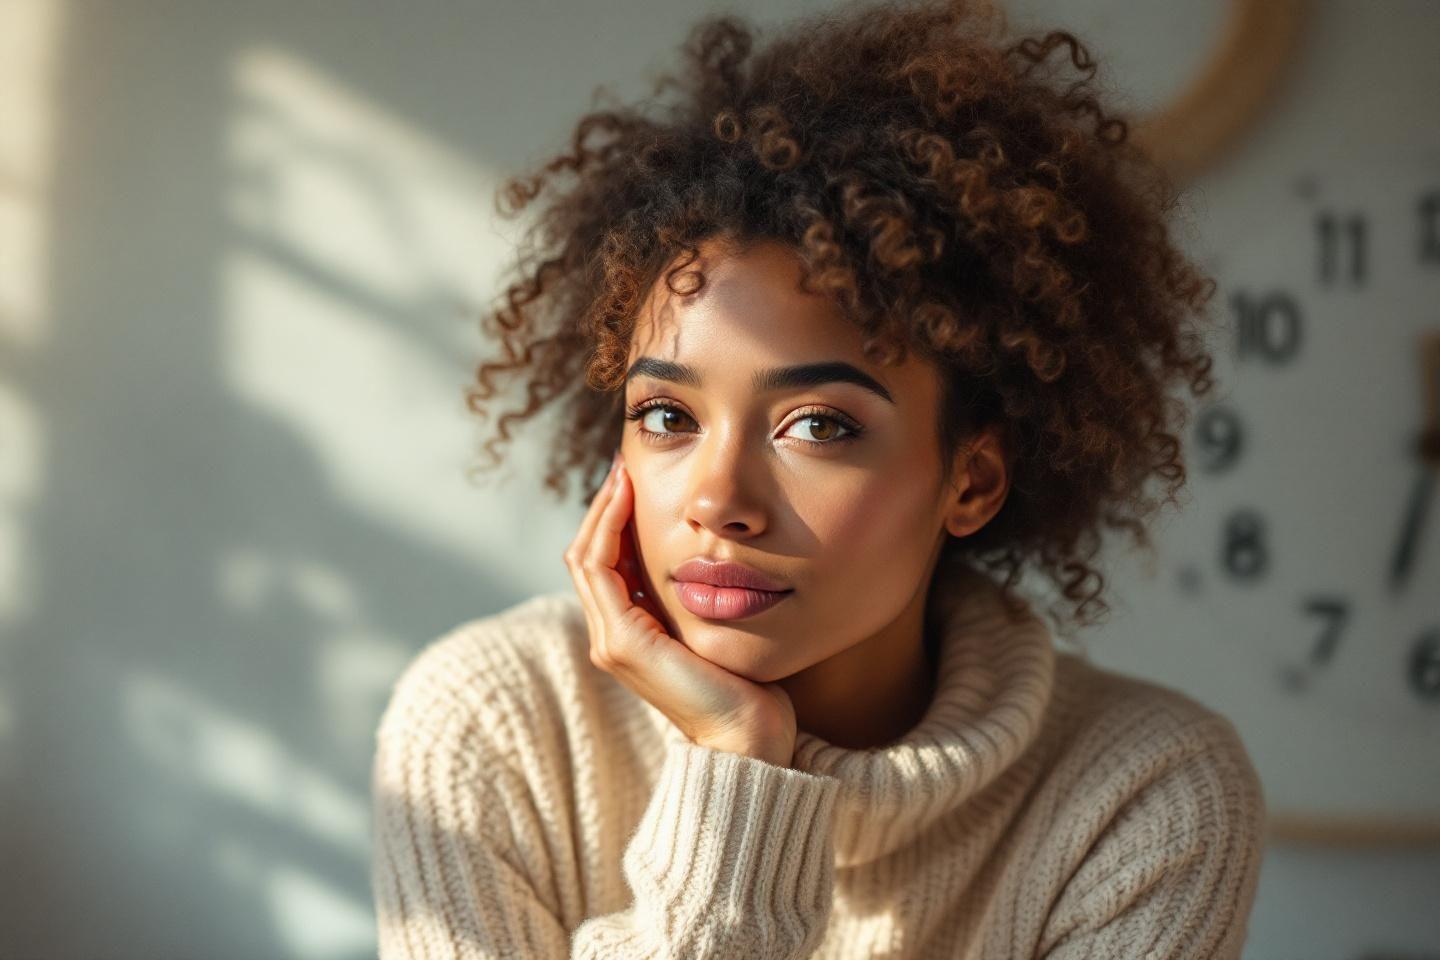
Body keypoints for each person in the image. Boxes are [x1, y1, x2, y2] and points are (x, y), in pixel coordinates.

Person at [370, 0, 1267, 956]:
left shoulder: (1143, 796)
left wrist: (743, 785)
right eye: (667, 417)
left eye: (819, 426)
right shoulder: (497, 722)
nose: (718, 502)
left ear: (972, 480)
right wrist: (734, 768)